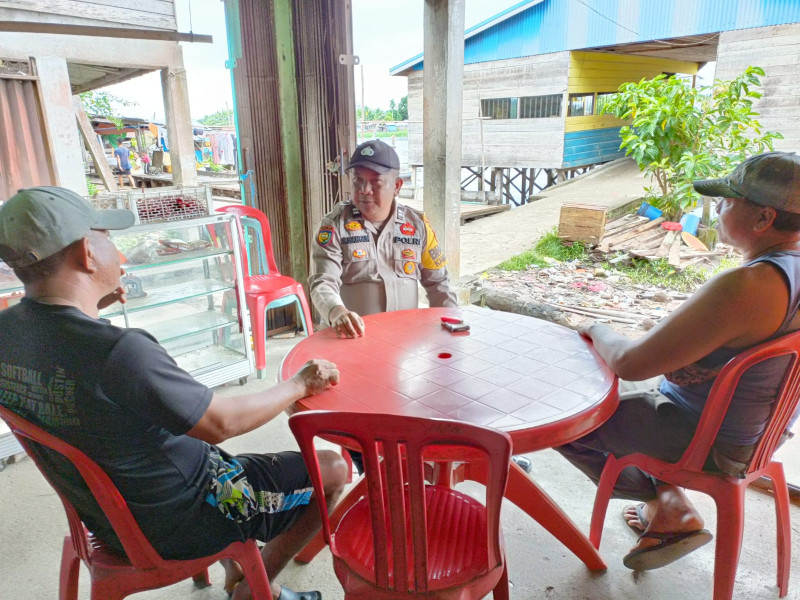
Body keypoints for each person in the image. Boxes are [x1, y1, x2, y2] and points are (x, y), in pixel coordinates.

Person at [0, 187, 347, 600]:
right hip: (184, 516)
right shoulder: (119, 352)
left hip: (105, 515)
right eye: (105, 237)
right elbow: (222, 423)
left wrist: (92, 307)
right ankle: (253, 590)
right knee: (332, 468)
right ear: (86, 254)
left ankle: (240, 570)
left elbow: (67, 359)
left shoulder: (7, 333)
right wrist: (299, 384)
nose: (118, 253)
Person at [555, 151, 800, 571]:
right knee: (630, 389)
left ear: (763, 219)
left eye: (727, 200)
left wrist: (595, 327)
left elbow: (631, 363)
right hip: (759, 435)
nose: (718, 209)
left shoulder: (751, 285)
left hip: (707, 442)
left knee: (561, 410)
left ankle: (661, 498)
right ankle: (670, 504)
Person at [309, 139, 457, 339]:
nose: (364, 189)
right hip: (351, 340)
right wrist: (336, 312)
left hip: (405, 341)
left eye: (375, 181)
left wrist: (452, 325)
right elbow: (322, 282)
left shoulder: (417, 225)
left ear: (397, 186)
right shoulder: (334, 226)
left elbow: (438, 284)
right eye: (357, 180)